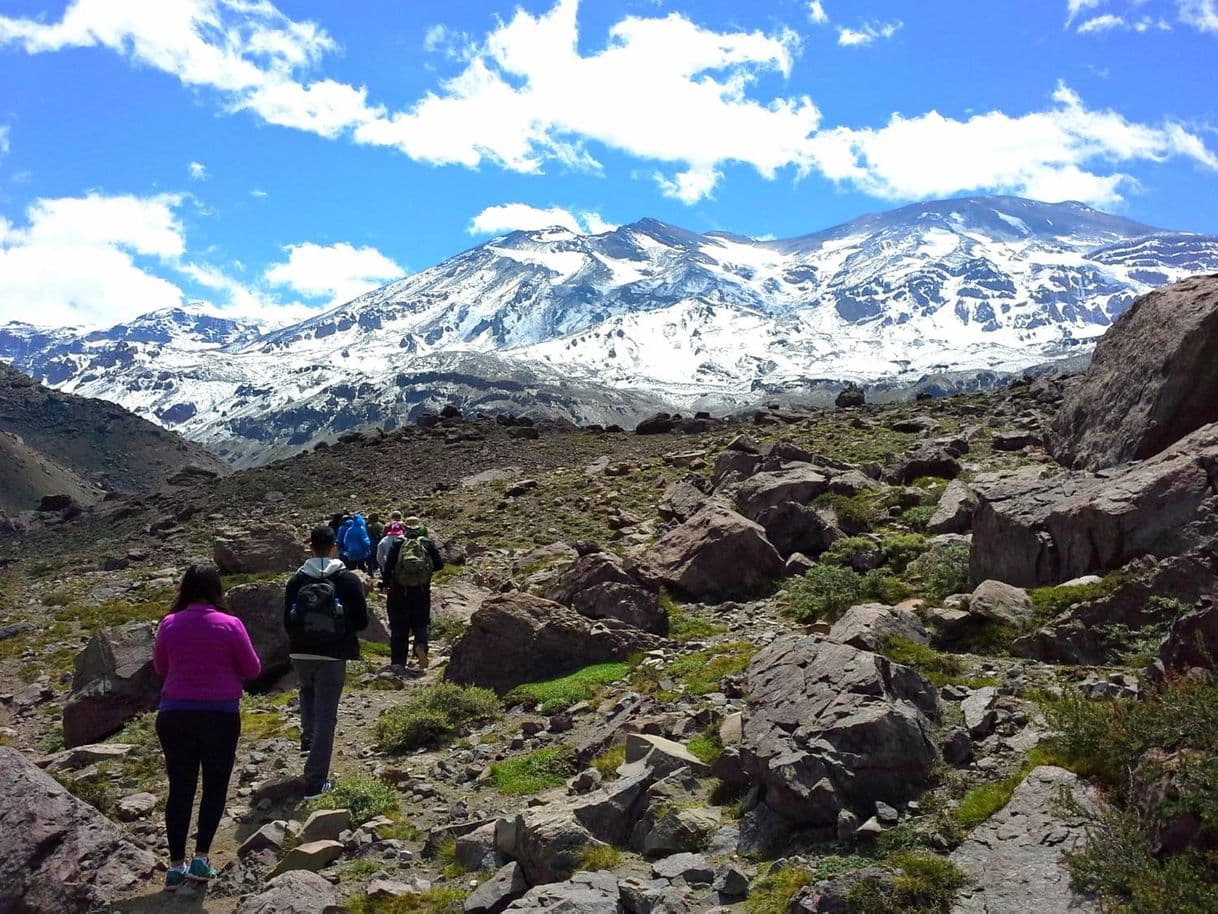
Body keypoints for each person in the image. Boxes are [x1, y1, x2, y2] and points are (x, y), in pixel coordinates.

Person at [153, 564, 261, 891]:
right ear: (217, 590)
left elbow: (160, 667)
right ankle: (201, 858)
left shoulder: (169, 623)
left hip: (174, 714)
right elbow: (253, 668)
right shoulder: (230, 624)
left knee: (180, 788)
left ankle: (174, 866)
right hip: (220, 716)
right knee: (214, 786)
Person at [284, 526, 369, 797]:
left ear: (310, 547)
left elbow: (288, 621)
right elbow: (362, 621)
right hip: (333, 654)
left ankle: (308, 736)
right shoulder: (346, 579)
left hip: (300, 653)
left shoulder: (296, 581)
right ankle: (315, 781)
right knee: (327, 718)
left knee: (307, 690)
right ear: (334, 546)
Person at [383, 517, 444, 672]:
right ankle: (420, 646)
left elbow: (388, 567)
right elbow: (439, 565)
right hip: (421, 591)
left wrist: (384, 584)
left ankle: (398, 662)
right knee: (421, 623)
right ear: (419, 528)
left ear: (405, 528)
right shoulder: (427, 543)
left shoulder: (398, 543)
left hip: (399, 591)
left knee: (399, 626)